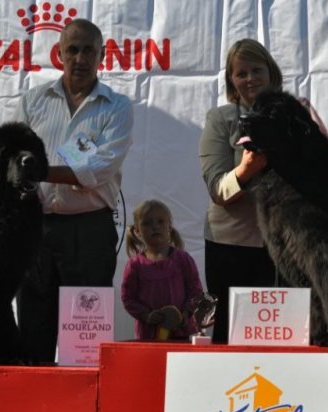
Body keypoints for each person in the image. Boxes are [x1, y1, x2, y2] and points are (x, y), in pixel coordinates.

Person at [15, 19, 134, 363]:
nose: (80, 58)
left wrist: (37, 171)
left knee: (84, 343)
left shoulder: (117, 107)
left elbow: (98, 170)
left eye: (88, 50)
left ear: (102, 55)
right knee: (33, 330)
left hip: (90, 231)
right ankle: (36, 410)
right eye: (72, 50)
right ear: (59, 54)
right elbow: (12, 159)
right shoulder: (33, 101)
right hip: (35, 228)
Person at [198, 39, 283, 343]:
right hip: (231, 246)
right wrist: (246, 170)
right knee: (230, 337)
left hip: (285, 247)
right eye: (241, 73)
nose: (250, 79)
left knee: (284, 334)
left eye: (257, 70)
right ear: (231, 80)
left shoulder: (291, 117)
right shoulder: (220, 120)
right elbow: (217, 189)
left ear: (270, 72)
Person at [121, 199, 204, 340]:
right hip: (148, 335)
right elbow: (128, 298)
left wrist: (185, 314)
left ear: (169, 227)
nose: (155, 227)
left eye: (160, 221)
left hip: (182, 333)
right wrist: (146, 315)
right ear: (137, 231)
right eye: (147, 223)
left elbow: (195, 291)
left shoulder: (183, 259)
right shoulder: (135, 265)